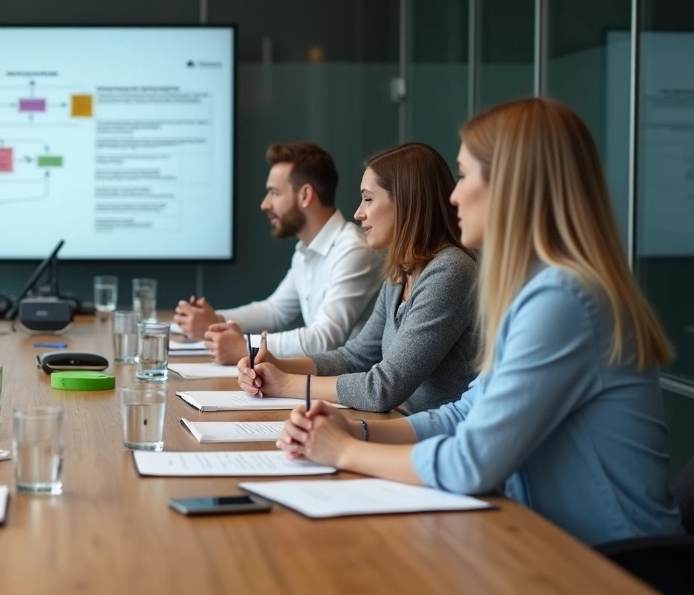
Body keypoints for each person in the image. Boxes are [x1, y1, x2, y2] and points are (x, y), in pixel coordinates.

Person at [279, 98, 682, 546]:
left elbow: (471, 462)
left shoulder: (563, 300)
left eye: (465, 175)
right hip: (545, 542)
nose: (452, 195)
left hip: (607, 565)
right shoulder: (538, 290)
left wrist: (348, 451)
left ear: (512, 186)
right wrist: (357, 429)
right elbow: (465, 414)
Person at [238, 142, 478, 414]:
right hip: (403, 427)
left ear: (406, 201)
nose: (358, 213)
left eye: (368, 198)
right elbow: (356, 357)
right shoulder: (402, 271)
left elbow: (382, 389)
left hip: (439, 442)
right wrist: (278, 365)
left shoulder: (451, 271)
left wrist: (286, 384)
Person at [173, 142, 380, 365]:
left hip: (348, 388)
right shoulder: (304, 251)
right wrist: (216, 321)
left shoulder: (353, 249)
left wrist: (245, 347)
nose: (264, 204)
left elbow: (324, 338)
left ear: (305, 195)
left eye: (274, 193)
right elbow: (275, 311)